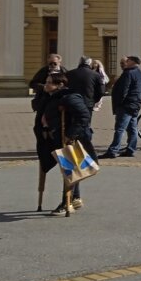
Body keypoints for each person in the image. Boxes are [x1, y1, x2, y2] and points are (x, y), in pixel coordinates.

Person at [37, 73, 96, 216]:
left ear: (60, 85)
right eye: (46, 82)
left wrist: (70, 134)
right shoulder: (51, 97)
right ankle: (75, 198)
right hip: (54, 138)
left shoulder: (69, 97)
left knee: (69, 169)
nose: (46, 85)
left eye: (50, 82)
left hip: (70, 139)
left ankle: (66, 203)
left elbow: (84, 116)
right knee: (70, 169)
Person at [101, 55, 141, 159]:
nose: (125, 63)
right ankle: (131, 149)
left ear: (132, 62)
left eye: (127, 61)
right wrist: (139, 103)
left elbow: (123, 90)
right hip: (135, 105)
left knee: (120, 128)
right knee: (132, 128)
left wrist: (119, 104)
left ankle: (113, 150)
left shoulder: (128, 73)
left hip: (126, 105)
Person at [66, 56, 105, 138]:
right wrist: (94, 100)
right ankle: (85, 141)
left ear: (79, 63)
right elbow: (101, 91)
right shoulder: (95, 75)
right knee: (85, 123)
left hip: (71, 102)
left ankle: (71, 139)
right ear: (90, 64)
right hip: (88, 103)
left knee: (71, 122)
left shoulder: (69, 73)